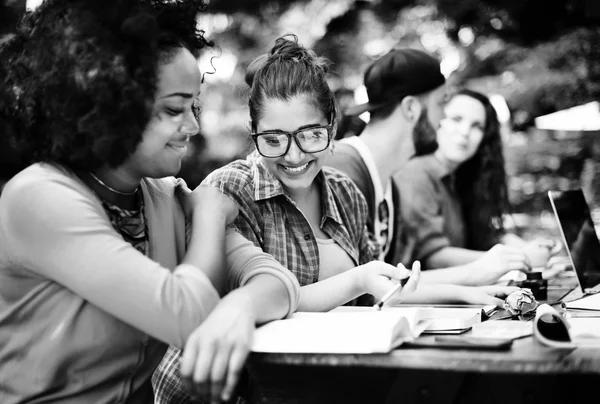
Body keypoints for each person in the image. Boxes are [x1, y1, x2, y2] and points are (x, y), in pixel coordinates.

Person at [0, 1, 299, 404]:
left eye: (193, 106)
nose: (192, 126)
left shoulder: (163, 197)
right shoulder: (38, 198)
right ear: (105, 104)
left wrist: (240, 308)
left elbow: (277, 280)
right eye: (174, 109)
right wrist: (210, 216)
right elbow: (186, 315)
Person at [393, 88, 558, 285]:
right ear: (437, 122)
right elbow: (432, 257)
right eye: (456, 119)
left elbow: (480, 237)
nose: (464, 132)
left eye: (476, 126)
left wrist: (515, 244)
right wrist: (520, 257)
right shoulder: (416, 173)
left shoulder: (460, 178)